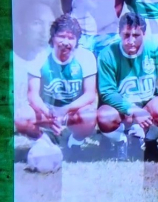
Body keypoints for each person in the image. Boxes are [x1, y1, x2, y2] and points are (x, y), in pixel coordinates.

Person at [96, 12, 158, 162]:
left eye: (136, 35)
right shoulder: (107, 55)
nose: (130, 41)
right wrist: (132, 110)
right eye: (126, 35)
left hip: (147, 108)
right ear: (119, 33)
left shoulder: (154, 48)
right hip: (122, 111)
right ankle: (121, 142)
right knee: (104, 116)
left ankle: (150, 141)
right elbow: (107, 92)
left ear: (144, 33)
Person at [15, 14, 98, 161]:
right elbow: (32, 95)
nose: (65, 42)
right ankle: (43, 141)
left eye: (71, 38)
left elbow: (90, 94)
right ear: (53, 37)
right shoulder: (38, 56)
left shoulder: (86, 57)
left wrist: (65, 109)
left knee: (90, 115)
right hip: (47, 112)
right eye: (61, 36)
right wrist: (49, 113)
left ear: (77, 41)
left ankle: (74, 143)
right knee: (21, 117)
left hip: (71, 112)